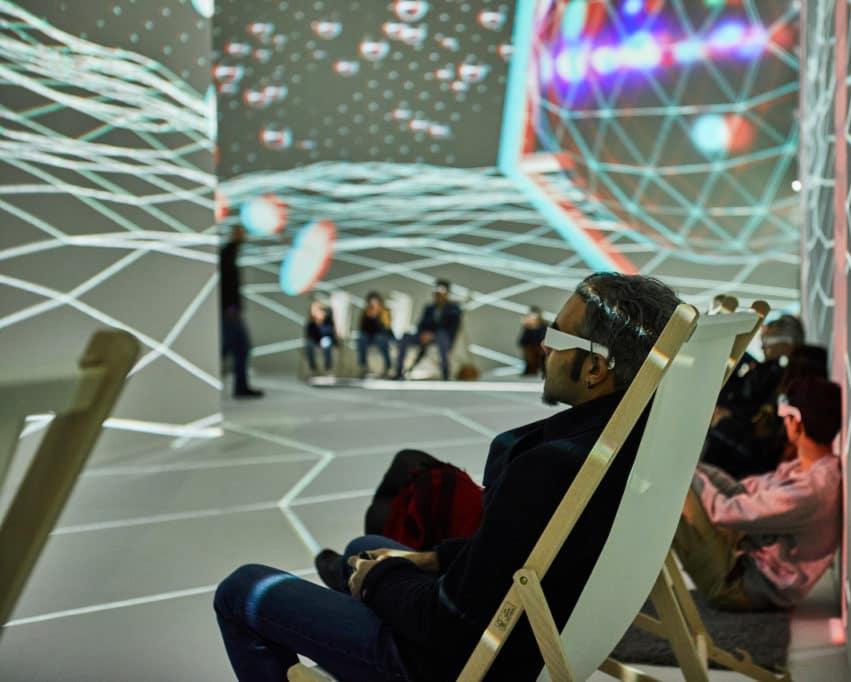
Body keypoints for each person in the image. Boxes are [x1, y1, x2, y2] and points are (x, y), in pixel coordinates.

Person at [213, 273, 682, 681]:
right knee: (365, 549)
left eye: (558, 339)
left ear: (596, 368)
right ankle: (359, 575)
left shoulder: (550, 466)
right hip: (544, 633)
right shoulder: (636, 445)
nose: (543, 345)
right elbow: (529, 558)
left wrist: (379, 581)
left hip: (465, 665)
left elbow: (450, 627)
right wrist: (427, 561)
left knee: (241, 589)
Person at [678, 376, 842, 611]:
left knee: (678, 487)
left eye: (785, 418)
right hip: (747, 562)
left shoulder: (811, 491)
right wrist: (694, 469)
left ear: (796, 423)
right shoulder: (813, 470)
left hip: (740, 586)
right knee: (685, 478)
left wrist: (687, 474)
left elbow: (725, 512)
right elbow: (744, 493)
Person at [220, 226, 263, 398]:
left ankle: (241, 387)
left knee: (236, 349)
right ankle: (240, 387)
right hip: (230, 311)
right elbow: (227, 284)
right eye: (242, 233)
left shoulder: (230, 253)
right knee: (238, 348)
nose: (244, 236)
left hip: (230, 311)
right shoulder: (228, 253)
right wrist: (231, 308)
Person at [394, 279, 462, 381]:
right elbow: (421, 324)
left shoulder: (454, 309)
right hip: (425, 336)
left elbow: (451, 328)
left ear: (447, 294)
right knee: (405, 338)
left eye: (441, 293)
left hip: (442, 338)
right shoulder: (429, 308)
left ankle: (445, 374)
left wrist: (432, 335)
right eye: (436, 293)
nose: (438, 296)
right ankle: (399, 372)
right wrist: (423, 334)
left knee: (442, 336)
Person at [357, 291, 393, 378]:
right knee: (361, 339)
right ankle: (363, 367)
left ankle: (388, 367)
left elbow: (386, 327)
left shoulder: (385, 311)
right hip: (369, 336)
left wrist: (378, 315)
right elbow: (362, 327)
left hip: (382, 335)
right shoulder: (365, 312)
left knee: (381, 340)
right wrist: (370, 316)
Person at [304, 301, 337, 375]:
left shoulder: (328, 321)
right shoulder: (311, 323)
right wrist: (317, 323)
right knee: (309, 344)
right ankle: (313, 367)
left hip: (326, 339)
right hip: (315, 341)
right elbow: (309, 335)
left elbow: (329, 334)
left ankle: (328, 367)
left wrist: (322, 323)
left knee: (326, 343)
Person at [517, 305, 547, 376]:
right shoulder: (527, 328)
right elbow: (522, 341)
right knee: (529, 352)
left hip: (541, 348)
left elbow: (543, 339)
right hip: (530, 349)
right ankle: (531, 368)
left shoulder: (543, 326)